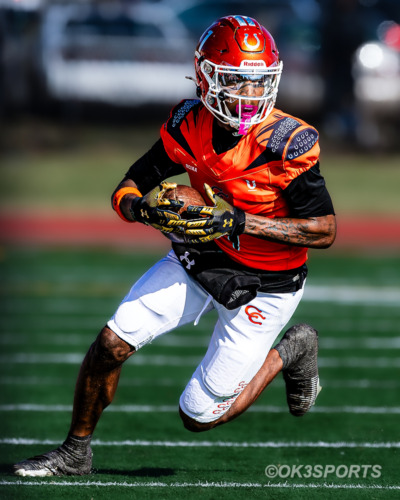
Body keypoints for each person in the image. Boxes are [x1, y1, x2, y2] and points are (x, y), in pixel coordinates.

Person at [14, 15, 336, 477]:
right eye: (236, 83)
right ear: (206, 77)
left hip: (267, 283)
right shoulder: (189, 123)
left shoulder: (288, 142)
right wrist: (143, 211)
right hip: (200, 255)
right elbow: (128, 186)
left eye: (257, 83)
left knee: (198, 414)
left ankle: (292, 351)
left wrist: (239, 222)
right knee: (110, 342)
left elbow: (324, 230)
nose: (248, 95)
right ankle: (74, 452)